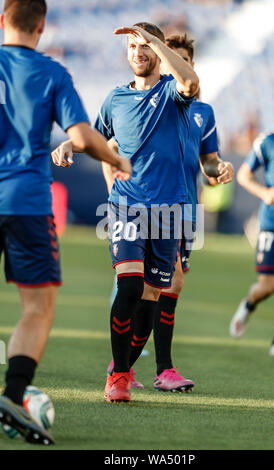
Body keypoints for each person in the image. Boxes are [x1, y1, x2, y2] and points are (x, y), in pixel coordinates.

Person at [0, 0, 131, 445]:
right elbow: (79, 137)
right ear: (42, 26)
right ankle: (13, 396)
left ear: (2, 20)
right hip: (26, 202)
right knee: (37, 307)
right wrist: (114, 157)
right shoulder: (51, 73)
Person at [104, 34, 234, 392]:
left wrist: (218, 169)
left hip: (182, 209)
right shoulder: (143, 100)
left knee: (160, 288)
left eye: (183, 60)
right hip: (139, 206)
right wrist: (111, 191)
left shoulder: (201, 112)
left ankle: (131, 367)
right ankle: (154, 368)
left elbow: (208, 162)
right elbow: (109, 144)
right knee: (155, 283)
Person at [96, 22, 199, 403]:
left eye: (145, 46)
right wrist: (71, 147)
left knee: (151, 299)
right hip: (127, 206)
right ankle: (120, 378)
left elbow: (189, 80)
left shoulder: (173, 92)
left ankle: (120, 366)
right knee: (129, 286)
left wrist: (158, 40)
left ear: (157, 51)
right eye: (132, 47)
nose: (138, 52)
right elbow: (99, 139)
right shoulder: (115, 98)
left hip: (169, 210)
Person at [230, 83, 274, 361]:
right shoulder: (269, 141)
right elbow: (244, 175)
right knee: (268, 287)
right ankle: (249, 304)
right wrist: (265, 192)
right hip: (273, 224)